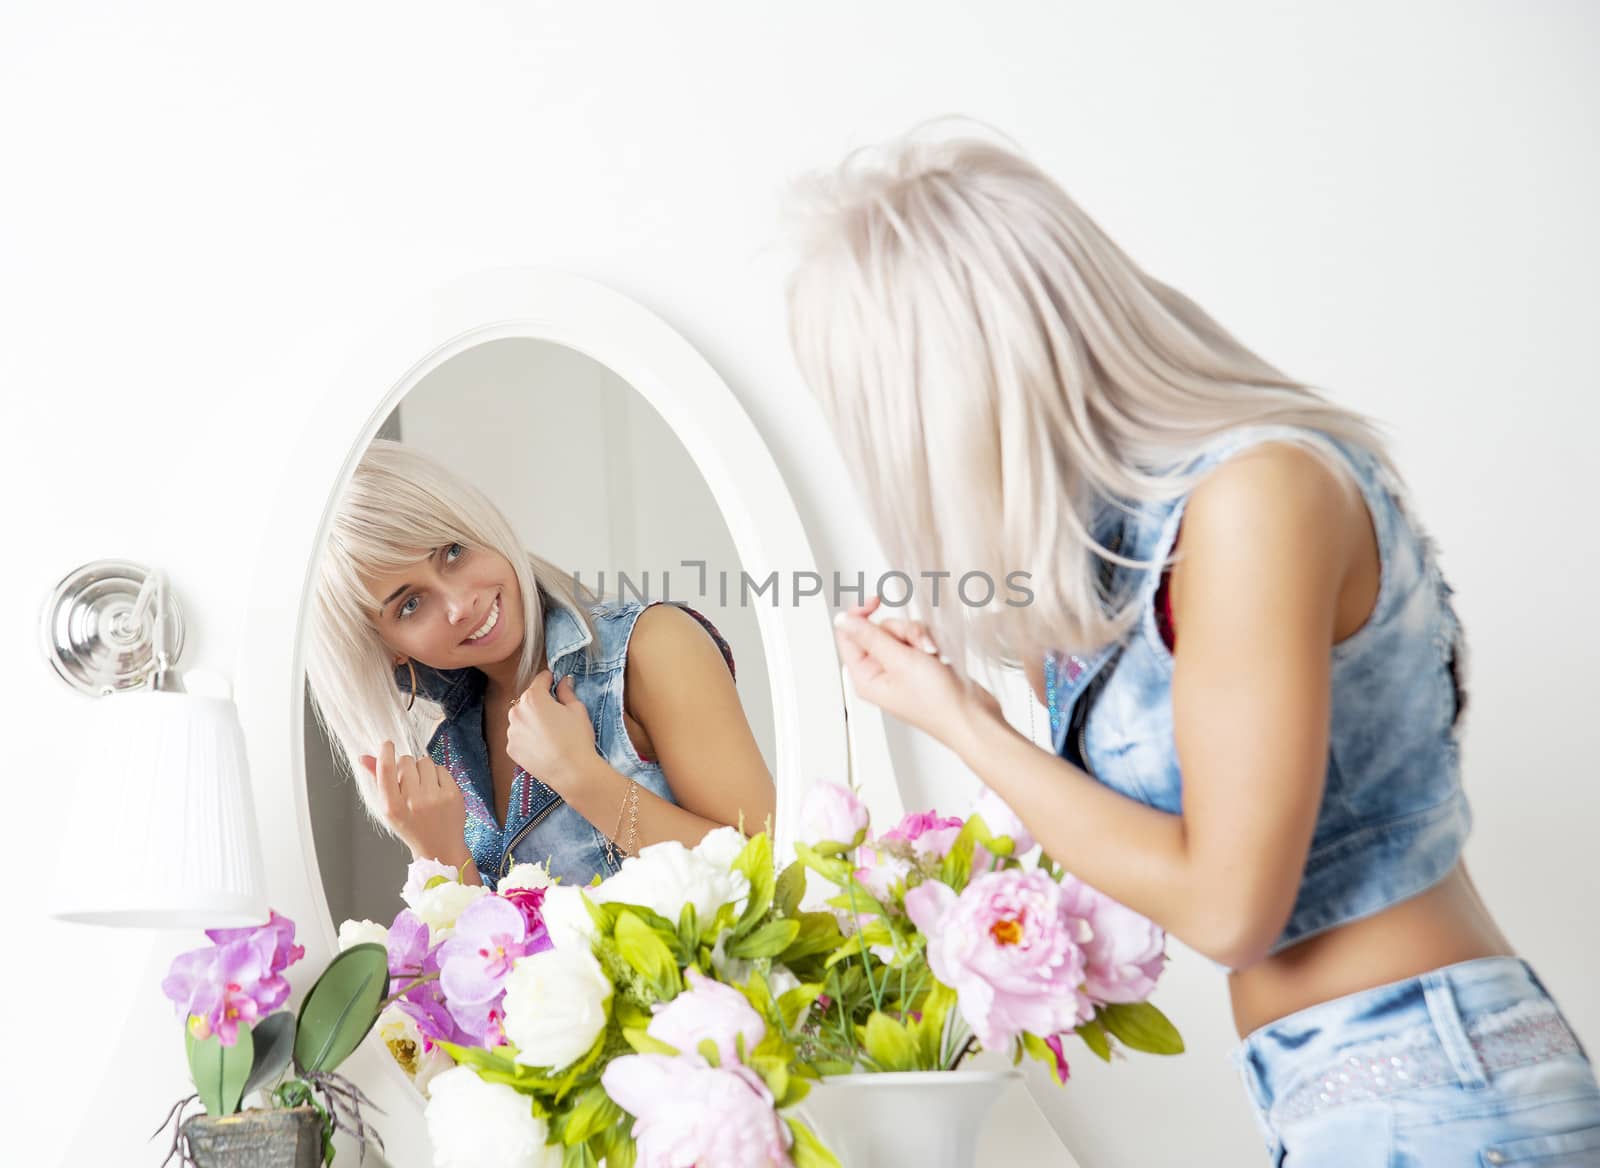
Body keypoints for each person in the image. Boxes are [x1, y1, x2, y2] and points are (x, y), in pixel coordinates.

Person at [787, 124, 1600, 1164]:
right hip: (1331, 1095)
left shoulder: (1259, 494)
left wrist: (965, 724)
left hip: (1434, 1090)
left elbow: (1226, 907)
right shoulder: (1138, 547)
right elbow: (1152, 833)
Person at [306, 438, 774, 890]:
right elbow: (492, 965)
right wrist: (439, 853)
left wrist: (582, 779)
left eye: (453, 552)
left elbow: (773, 867)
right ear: (391, 647)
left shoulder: (650, 647)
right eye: (409, 605)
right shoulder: (448, 758)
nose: (459, 604)